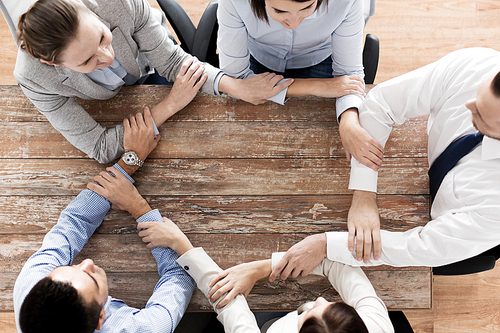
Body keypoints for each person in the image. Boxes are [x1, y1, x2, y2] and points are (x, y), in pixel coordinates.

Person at [265, 47, 500, 280]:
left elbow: (421, 248)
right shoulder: (480, 65)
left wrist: (326, 245)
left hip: (454, 227)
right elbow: (381, 102)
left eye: (480, 114)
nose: (468, 105)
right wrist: (364, 195)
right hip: (418, 158)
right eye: (477, 96)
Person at [15, 0, 292, 163]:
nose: (107, 56)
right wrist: (169, 105)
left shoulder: (116, 4)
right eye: (87, 61)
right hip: (118, 102)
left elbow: (172, 64)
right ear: (53, 64)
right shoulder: (34, 77)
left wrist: (238, 87)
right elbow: (99, 147)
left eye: (102, 37)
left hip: (150, 62)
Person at [13, 109, 196, 333]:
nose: (87, 261)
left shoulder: (33, 289)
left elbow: (74, 221)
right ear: (102, 318)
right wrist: (138, 208)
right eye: (92, 278)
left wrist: (131, 161)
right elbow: (181, 274)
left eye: (73, 266)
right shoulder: (143, 329)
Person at [136, 220, 394, 333]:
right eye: (330, 304)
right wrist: (259, 269)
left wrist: (181, 244)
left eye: (308, 314)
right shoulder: (376, 326)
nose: (319, 299)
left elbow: (231, 307)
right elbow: (339, 265)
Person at [217, 0, 384, 171]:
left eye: (307, 8)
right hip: (259, 56)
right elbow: (237, 81)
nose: (294, 24)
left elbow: (349, 75)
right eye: (279, 11)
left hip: (320, 57)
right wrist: (317, 87)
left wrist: (349, 122)